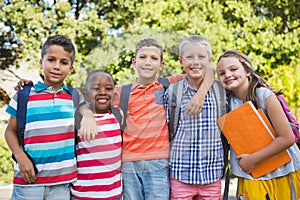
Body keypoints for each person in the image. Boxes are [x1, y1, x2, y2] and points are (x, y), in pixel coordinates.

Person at [112, 38, 215, 200]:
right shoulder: (122, 92)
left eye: (154, 58)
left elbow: (209, 72)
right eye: (143, 57)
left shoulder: (168, 84)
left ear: (161, 65)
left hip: (159, 162)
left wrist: (200, 96)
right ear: (134, 62)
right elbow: (95, 101)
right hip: (129, 163)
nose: (147, 62)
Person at [5, 34, 96, 200]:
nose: (56, 67)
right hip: (28, 182)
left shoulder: (74, 96)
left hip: (61, 185)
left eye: (63, 62)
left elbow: (86, 109)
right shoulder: (24, 94)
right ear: (41, 62)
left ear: (71, 68)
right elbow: (9, 132)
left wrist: (89, 116)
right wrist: (20, 157)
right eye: (51, 60)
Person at [216, 50, 300, 199]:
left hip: (282, 173)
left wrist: (253, 159)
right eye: (221, 73)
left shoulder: (264, 96)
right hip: (252, 177)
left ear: (247, 71)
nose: (227, 75)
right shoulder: (226, 104)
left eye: (233, 69)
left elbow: (287, 138)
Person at [165, 35, 225, 200]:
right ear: (181, 61)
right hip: (181, 172)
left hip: (211, 173)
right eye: (189, 57)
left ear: (210, 59)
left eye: (201, 57)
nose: (196, 62)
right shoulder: (173, 92)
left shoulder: (220, 90)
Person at [71, 70, 122, 200]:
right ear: (86, 95)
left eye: (108, 88)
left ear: (114, 95)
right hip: (82, 195)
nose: (103, 92)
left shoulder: (118, 115)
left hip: (113, 195)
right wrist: (87, 113)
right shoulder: (78, 117)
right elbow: (80, 106)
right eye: (96, 88)